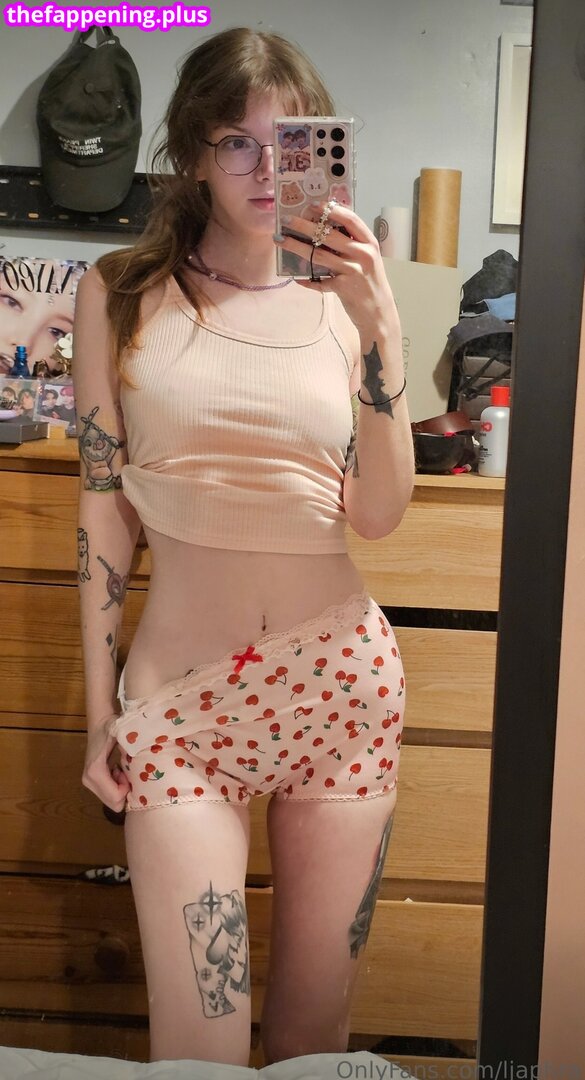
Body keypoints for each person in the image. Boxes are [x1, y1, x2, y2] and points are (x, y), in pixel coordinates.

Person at [74, 26, 414, 1069]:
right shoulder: (119, 292)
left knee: (315, 1043)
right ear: (192, 153)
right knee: (198, 1051)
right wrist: (97, 713)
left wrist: (382, 328)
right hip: (180, 710)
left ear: (327, 149)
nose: (268, 171)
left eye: (292, 144)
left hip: (339, 691)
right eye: (237, 143)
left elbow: (380, 513)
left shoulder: (345, 303)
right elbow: (103, 510)